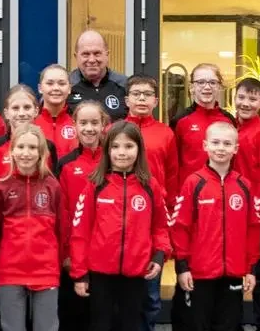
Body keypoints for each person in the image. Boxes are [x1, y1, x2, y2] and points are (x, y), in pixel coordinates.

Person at [70, 121, 171, 331]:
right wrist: (80, 273)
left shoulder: (150, 185)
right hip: (100, 274)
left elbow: (161, 226)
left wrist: (159, 255)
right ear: (107, 150)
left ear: (139, 149)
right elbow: (80, 232)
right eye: (115, 146)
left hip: (136, 273)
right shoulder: (95, 185)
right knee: (101, 325)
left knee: (131, 324)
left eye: (129, 146)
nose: (122, 152)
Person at [171, 121, 260, 331]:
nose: (221, 148)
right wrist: (182, 267)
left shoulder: (244, 185)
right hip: (199, 273)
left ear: (235, 148)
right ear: (205, 145)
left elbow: (253, 228)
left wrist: (251, 269)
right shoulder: (194, 183)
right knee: (197, 324)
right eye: (216, 142)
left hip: (233, 272)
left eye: (227, 144)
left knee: (229, 324)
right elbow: (180, 227)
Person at [169, 63, 235, 330]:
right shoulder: (180, 121)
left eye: (212, 82)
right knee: (188, 277)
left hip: (219, 206)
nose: (206, 87)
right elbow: (174, 165)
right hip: (190, 206)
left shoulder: (228, 120)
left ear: (219, 86)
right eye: (200, 82)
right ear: (191, 87)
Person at [0, 124, 65, 331]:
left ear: (41, 152)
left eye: (32, 148)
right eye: (21, 147)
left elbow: (61, 227)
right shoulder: (1, 186)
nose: (26, 153)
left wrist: (58, 260)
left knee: (47, 327)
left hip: (46, 269)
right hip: (10, 269)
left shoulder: (52, 185)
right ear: (12, 151)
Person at [121, 73, 178, 331]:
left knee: (151, 295)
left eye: (147, 95)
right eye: (136, 94)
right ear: (127, 100)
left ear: (156, 100)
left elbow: (173, 176)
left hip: (154, 217)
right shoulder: (115, 130)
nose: (141, 99)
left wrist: (170, 215)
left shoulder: (166, 133)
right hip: (122, 215)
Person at [56, 100, 109, 331]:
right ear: (74, 125)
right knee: (75, 316)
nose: (89, 128)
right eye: (83, 123)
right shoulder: (66, 164)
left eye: (95, 123)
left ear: (104, 125)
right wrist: (67, 254)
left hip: (106, 252)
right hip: (76, 253)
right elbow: (63, 213)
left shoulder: (113, 160)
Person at [233, 77, 260, 331]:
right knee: (233, 271)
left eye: (252, 99)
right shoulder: (231, 128)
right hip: (232, 211)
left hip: (255, 216)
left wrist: (256, 214)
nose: (246, 103)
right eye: (242, 97)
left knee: (259, 274)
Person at [0, 84, 58, 189]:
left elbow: (53, 186)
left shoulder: (48, 146)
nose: (21, 113)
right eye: (15, 108)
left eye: (27, 107)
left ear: (36, 111)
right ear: (6, 113)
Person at [67, 30, 127, 122]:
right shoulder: (65, 86)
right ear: (76, 56)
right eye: (85, 54)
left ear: (107, 55)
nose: (91, 60)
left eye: (97, 53)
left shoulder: (124, 85)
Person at [36, 64, 79, 159]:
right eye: (50, 83)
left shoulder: (79, 121)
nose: (56, 88)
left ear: (69, 88)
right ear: (40, 88)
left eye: (62, 84)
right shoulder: (31, 121)